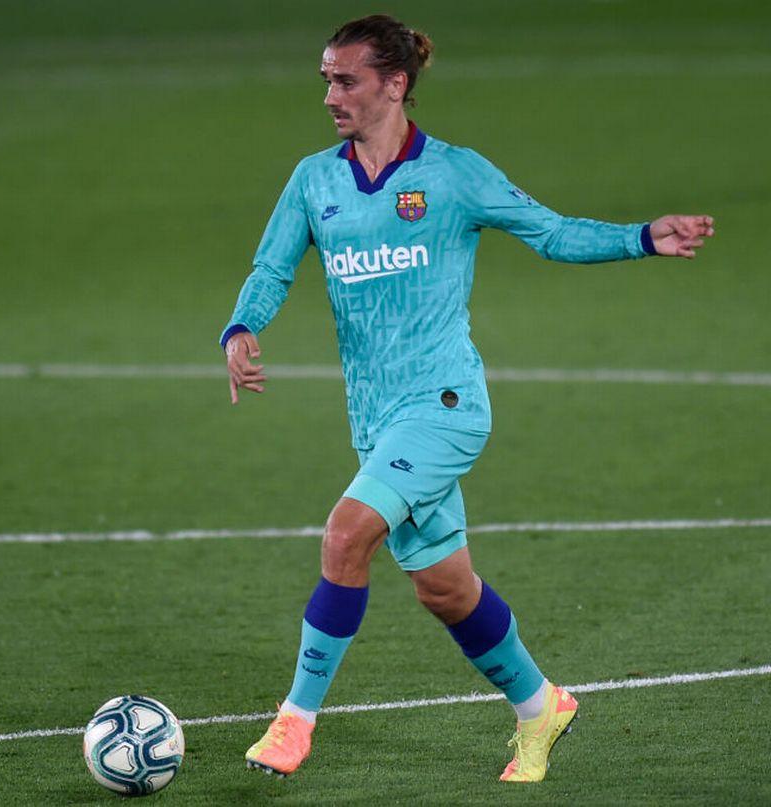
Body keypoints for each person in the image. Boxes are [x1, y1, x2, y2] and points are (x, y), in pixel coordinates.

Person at [220, 14, 714, 784]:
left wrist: (644, 237)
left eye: (346, 80)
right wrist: (243, 326)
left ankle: (295, 719)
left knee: (347, 535)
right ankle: (540, 705)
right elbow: (272, 267)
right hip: (377, 420)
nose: (330, 96)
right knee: (445, 588)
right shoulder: (315, 181)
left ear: (395, 84)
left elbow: (551, 232)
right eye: (326, 80)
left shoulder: (453, 174)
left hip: (445, 408)